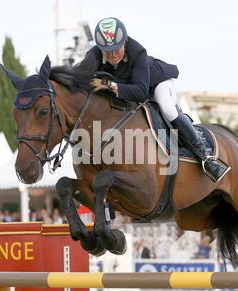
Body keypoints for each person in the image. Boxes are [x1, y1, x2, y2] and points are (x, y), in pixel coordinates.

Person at [80, 17, 230, 182]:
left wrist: (110, 86)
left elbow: (141, 92)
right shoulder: (93, 55)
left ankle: (207, 158)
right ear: (99, 48)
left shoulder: (138, 51)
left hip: (156, 84)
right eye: (107, 51)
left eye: (117, 48)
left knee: (167, 109)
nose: (113, 54)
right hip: (129, 88)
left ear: (125, 41)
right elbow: (77, 78)